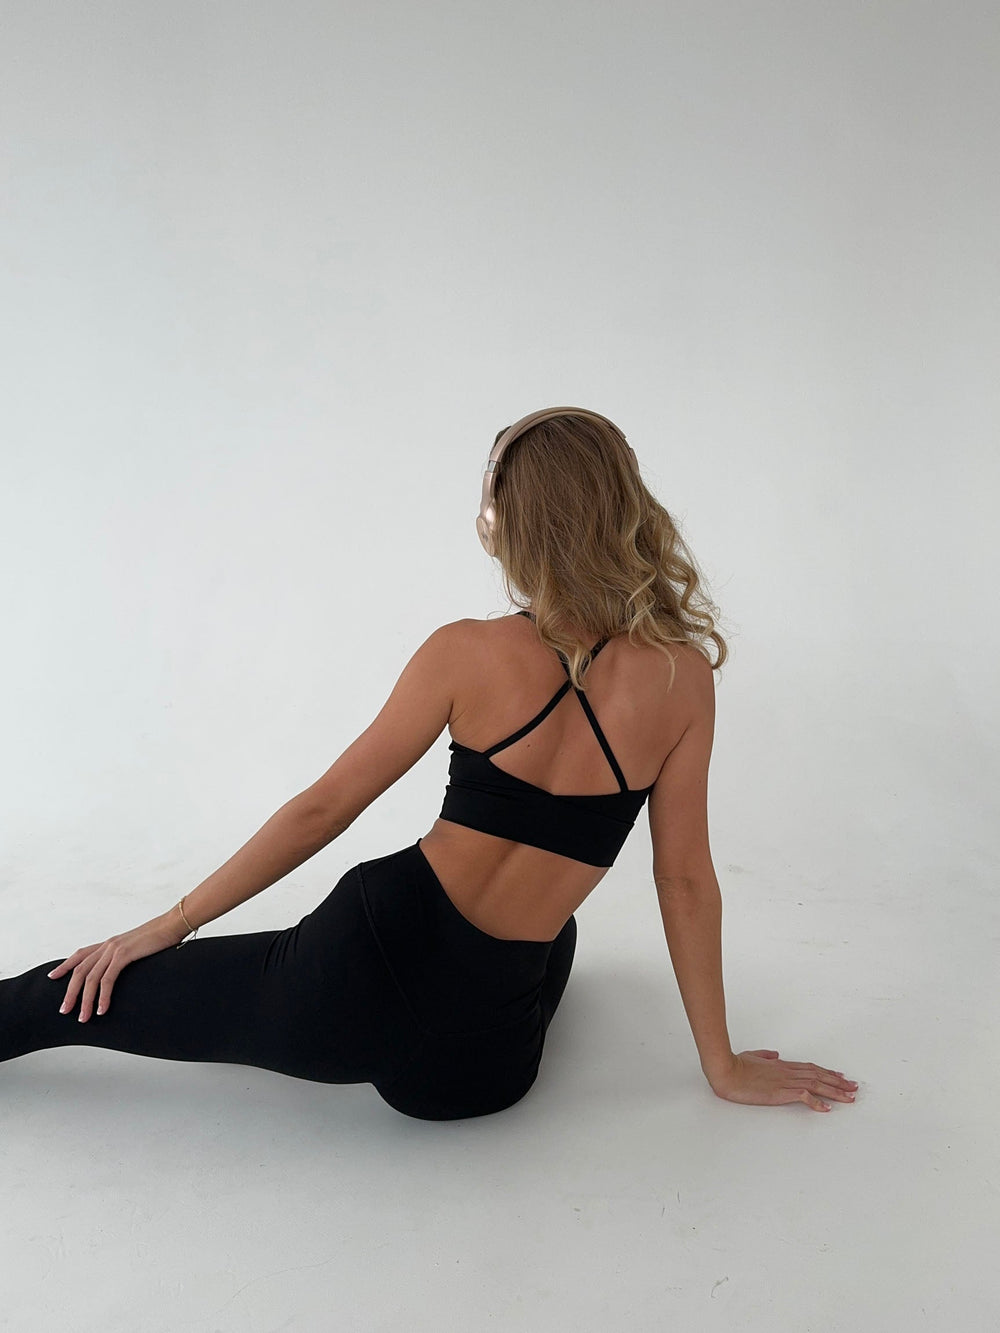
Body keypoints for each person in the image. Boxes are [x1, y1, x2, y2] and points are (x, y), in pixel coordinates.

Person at [1, 407, 858, 1118]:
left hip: (349, 973)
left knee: (66, 1002)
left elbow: (324, 807)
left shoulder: (465, 652)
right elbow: (685, 879)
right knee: (557, 935)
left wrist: (170, 923)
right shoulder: (683, 678)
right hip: (476, 1073)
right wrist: (721, 1063)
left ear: (502, 519)